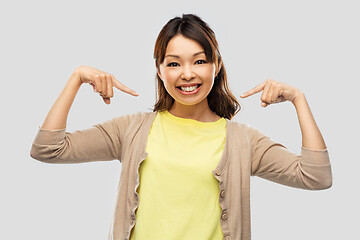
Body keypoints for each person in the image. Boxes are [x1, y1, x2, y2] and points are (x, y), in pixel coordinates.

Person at [30, 14, 332, 240]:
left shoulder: (243, 141)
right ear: (160, 71)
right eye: (173, 64)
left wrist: (298, 100)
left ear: (216, 65)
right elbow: (48, 149)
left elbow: (316, 176)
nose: (187, 74)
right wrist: (77, 78)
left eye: (199, 61)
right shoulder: (132, 130)